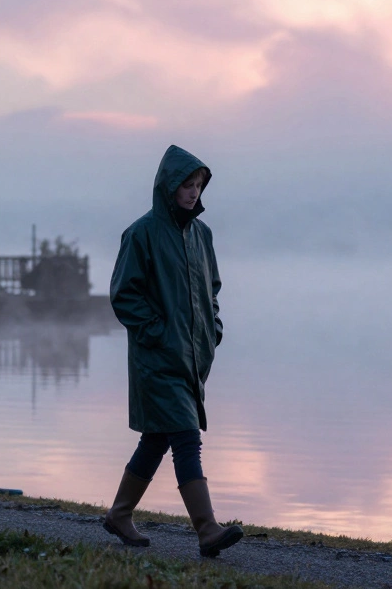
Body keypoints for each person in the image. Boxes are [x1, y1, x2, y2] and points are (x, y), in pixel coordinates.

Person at [103, 144, 244, 558]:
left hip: (194, 359)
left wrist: (212, 330)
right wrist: (158, 334)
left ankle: (118, 514)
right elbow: (124, 295)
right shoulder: (141, 233)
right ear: (169, 185)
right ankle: (207, 530)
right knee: (185, 437)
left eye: (199, 185)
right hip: (157, 359)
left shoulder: (203, 234)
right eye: (187, 184)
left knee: (156, 440)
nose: (193, 192)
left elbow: (211, 289)